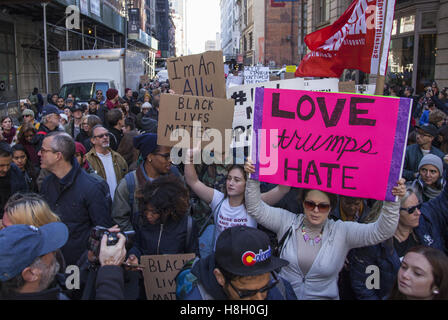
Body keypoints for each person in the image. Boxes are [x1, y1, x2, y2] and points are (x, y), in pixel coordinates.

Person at [244, 161, 405, 300]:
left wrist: (392, 200)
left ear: (331, 208)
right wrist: (253, 177)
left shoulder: (342, 231)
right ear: (302, 203)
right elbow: (255, 208)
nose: (315, 210)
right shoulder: (287, 222)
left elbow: (382, 231)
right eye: (310, 204)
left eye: (323, 206)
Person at [184, 148, 290, 250]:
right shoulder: (217, 199)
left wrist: (286, 160)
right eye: (229, 178)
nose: (231, 183)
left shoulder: (254, 203)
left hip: (245, 262)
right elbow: (193, 181)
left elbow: (282, 190)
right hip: (220, 262)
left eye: (237, 180)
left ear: (246, 184)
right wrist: (189, 158)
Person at [39, 132, 113, 265]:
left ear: (58, 156)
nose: (39, 154)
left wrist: (88, 259)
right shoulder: (47, 183)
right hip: (54, 262)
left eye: (44, 150)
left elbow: (103, 229)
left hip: (80, 266)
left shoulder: (92, 187)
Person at [0, 222, 127, 300]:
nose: (54, 250)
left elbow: (70, 287)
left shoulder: (41, 285)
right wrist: (110, 269)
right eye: (47, 249)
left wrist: (89, 259)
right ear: (31, 274)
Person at [176, 226, 297, 300]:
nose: (259, 298)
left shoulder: (280, 287)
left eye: (265, 287)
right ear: (220, 277)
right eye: (247, 293)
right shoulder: (195, 297)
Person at [112, 133, 182, 231]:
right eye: (166, 156)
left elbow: (184, 210)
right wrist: (136, 241)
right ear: (149, 157)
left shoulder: (175, 176)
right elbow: (120, 219)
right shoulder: (129, 184)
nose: (170, 160)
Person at [126, 175, 199, 267]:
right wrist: (133, 256)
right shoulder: (140, 219)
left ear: (168, 210)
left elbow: (193, 257)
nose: (148, 216)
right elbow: (137, 245)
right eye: (146, 210)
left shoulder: (187, 225)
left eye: (154, 212)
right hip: (143, 277)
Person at [85, 125, 128, 200]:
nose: (105, 137)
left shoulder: (118, 157)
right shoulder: (88, 159)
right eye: (101, 136)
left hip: (118, 204)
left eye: (107, 135)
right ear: (93, 140)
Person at [0, 142, 28, 218]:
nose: (5, 169)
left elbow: (24, 196)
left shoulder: (15, 170)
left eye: (8, 165)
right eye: (1, 166)